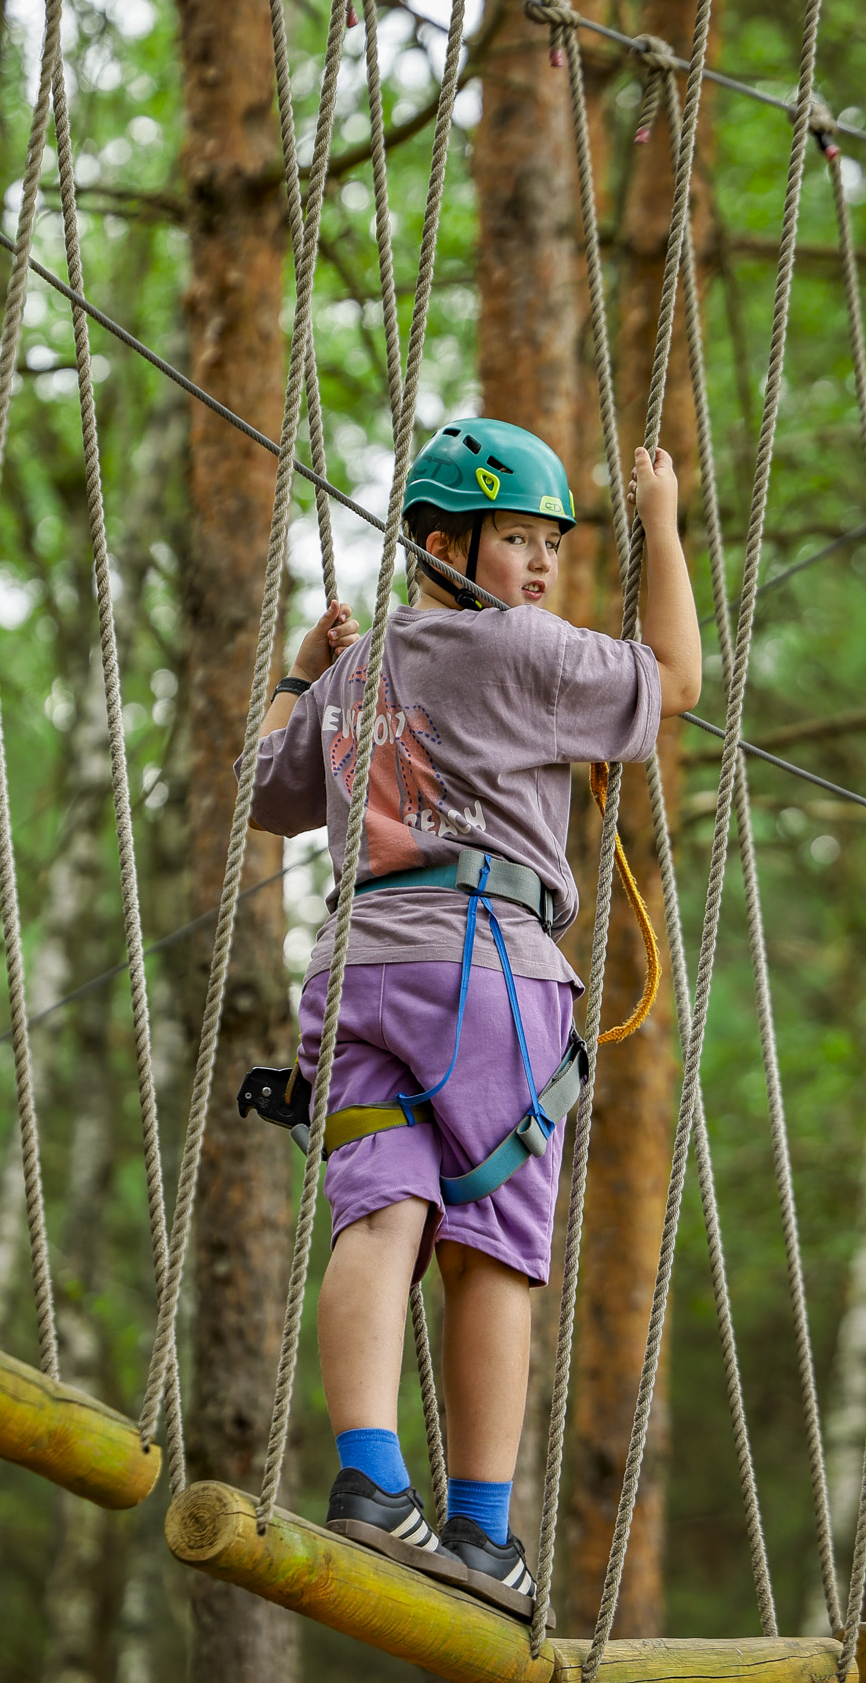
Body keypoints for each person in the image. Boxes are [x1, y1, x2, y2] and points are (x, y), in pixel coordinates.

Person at [245, 418, 701, 1619]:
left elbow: (269, 794)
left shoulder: (354, 675)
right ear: (443, 547)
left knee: (380, 1210)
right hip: (488, 972)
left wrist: (299, 675)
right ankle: (485, 1531)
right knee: (490, 1245)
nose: (542, 564)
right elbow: (676, 680)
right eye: (515, 539)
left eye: (553, 542)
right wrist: (661, 523)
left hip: (355, 968)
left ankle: (371, 1474)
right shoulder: (525, 650)